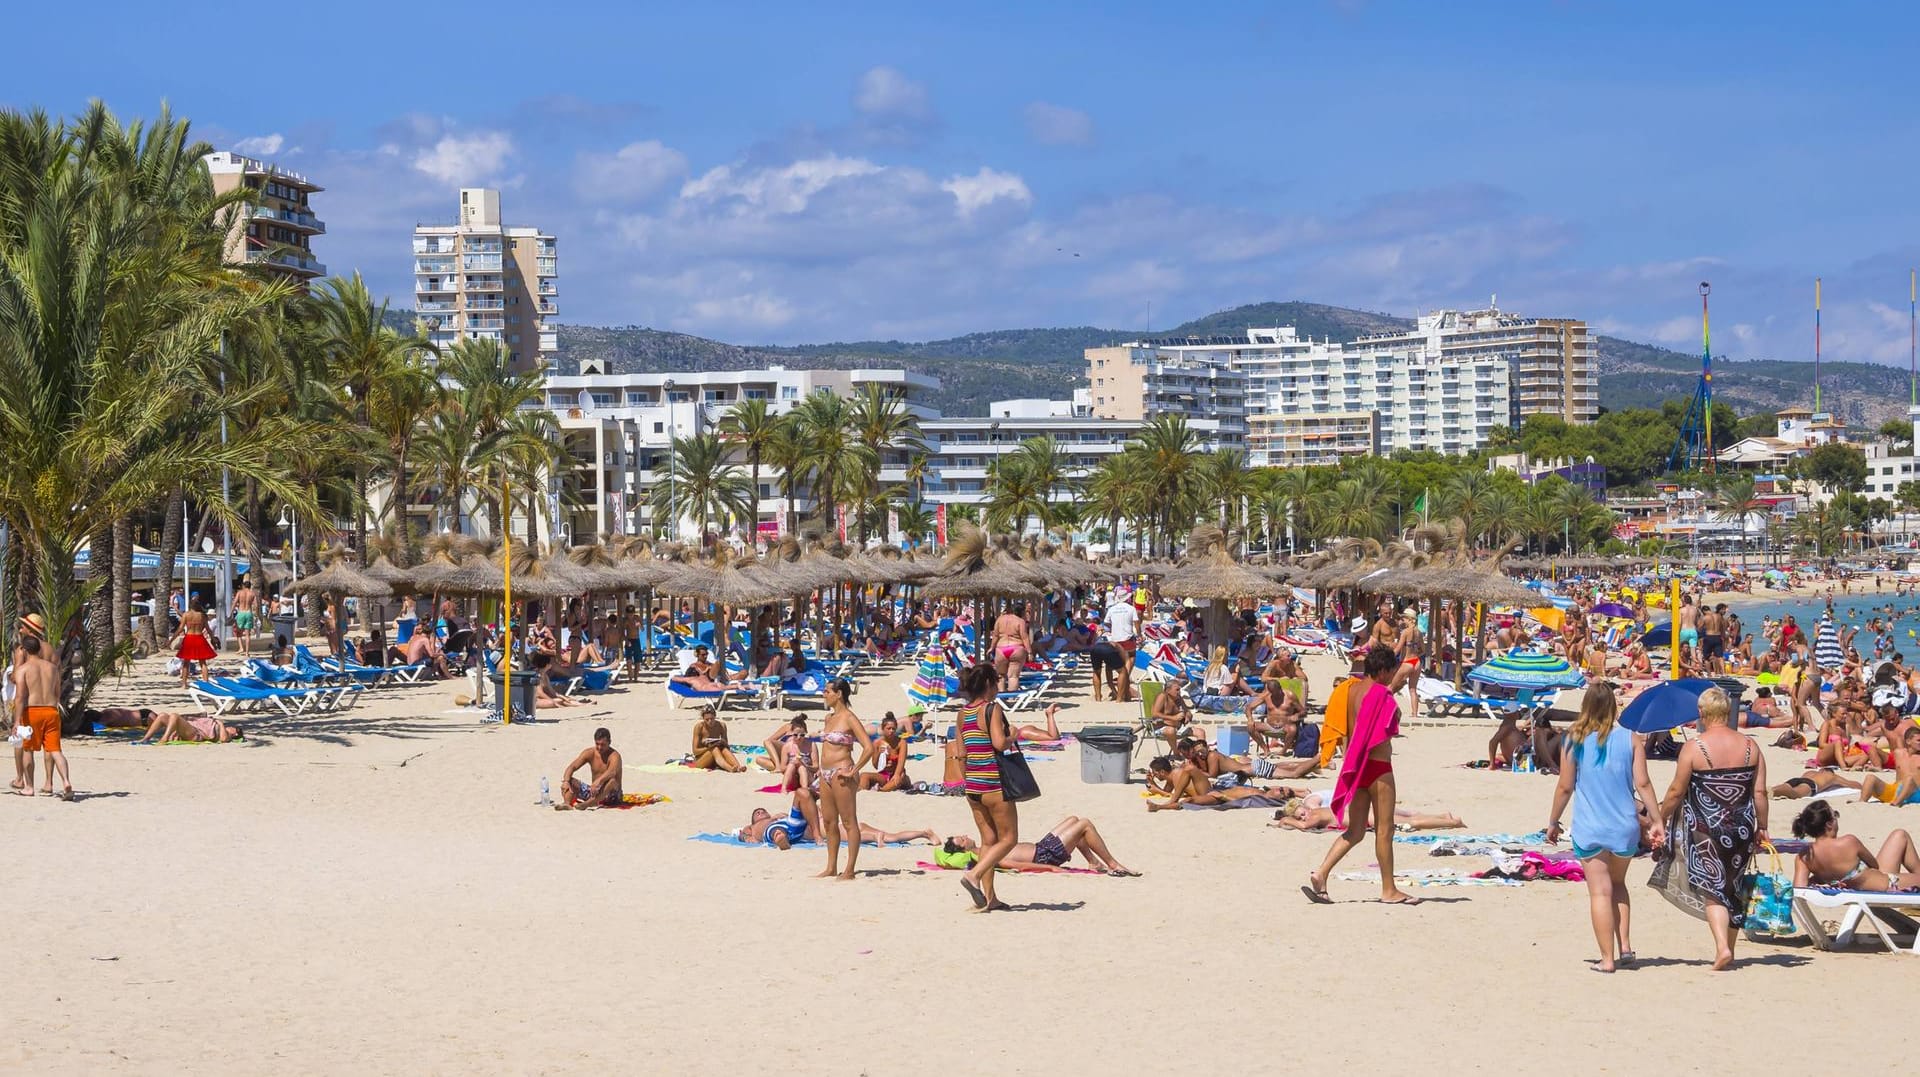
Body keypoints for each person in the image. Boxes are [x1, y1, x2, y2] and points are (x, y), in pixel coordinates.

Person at [1544, 683, 1667, 973]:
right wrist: (1657, 819)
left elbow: (1565, 786)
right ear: (1613, 706)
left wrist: (1552, 821)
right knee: (1619, 885)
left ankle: (1607, 959)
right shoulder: (1631, 738)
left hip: (1590, 827)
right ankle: (1624, 946)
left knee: (1600, 892)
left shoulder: (1573, 738)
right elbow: (1644, 783)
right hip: (1624, 826)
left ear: (1586, 706)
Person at [1651, 687, 1767, 971]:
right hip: (1741, 828)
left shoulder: (1695, 747)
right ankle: (1730, 949)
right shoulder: (1751, 746)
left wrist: (1661, 818)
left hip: (1706, 827)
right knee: (1734, 885)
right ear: (1728, 713)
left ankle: (1722, 948)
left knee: (1713, 888)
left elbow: (1677, 790)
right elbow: (1760, 792)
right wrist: (1762, 827)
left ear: (1702, 714)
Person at [1303, 645, 1417, 905]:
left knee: (1355, 831)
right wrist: (1392, 699)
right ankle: (1389, 890)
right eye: (1391, 671)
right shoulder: (1380, 693)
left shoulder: (1350, 689)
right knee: (1384, 831)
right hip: (1377, 767)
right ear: (1385, 670)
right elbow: (1389, 726)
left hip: (1357, 767)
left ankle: (1321, 874)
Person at [955, 662, 1018, 911]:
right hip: (994, 782)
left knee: (988, 841)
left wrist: (967, 781)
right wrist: (1014, 733)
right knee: (1009, 838)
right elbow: (1000, 743)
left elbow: (961, 754)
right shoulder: (991, 709)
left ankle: (990, 899)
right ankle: (974, 875)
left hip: (972, 784)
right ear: (989, 685)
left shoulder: (962, 713)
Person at [816, 678, 876, 881]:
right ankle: (831, 867)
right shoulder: (828, 718)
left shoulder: (849, 718)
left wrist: (854, 770)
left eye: (827, 691)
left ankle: (849, 869)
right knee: (829, 821)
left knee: (849, 822)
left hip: (843, 770)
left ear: (839, 694)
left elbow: (869, 747)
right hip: (825, 773)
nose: (824, 695)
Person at [941, 816, 1140, 876]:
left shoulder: (985, 846)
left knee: (1073, 819)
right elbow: (1015, 865)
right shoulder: (984, 856)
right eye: (963, 840)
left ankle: (1093, 862)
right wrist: (1050, 867)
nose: (966, 837)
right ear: (963, 849)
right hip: (1045, 855)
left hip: (1042, 846)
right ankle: (1113, 864)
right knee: (1084, 825)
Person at [1791, 801, 1920, 892]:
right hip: (1886, 885)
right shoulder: (1848, 842)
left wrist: (1821, 877)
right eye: (1835, 815)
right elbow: (1874, 865)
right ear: (1829, 824)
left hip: (1865, 888)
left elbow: (1800, 889)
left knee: (1899, 835)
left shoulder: (1804, 856)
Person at [11, 636, 69, 799]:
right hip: (51, 711)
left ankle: (29, 787)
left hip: (32, 712)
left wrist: (16, 721)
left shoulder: (23, 669)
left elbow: (20, 697)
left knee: (28, 749)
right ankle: (65, 782)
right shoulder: (52, 668)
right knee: (55, 750)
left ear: (24, 650)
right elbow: (57, 693)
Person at [1272, 788, 1462, 832]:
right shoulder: (1321, 809)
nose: (1304, 816)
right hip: (1361, 812)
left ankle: (1452, 822)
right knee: (1405, 817)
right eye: (1301, 816)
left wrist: (1286, 820)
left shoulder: (1314, 815)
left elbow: (1304, 827)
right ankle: (1442, 816)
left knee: (1410, 822)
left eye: (1302, 813)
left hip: (1363, 818)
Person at [556, 727, 623, 809]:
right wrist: (566, 781)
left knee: (612, 780)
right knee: (569, 780)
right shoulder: (590, 753)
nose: (599, 747)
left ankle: (588, 804)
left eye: (603, 745)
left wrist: (599, 781)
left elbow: (612, 771)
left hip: (612, 795)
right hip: (593, 793)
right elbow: (572, 767)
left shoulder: (614, 756)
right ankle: (567, 803)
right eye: (597, 744)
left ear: (609, 742)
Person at [169, 600, 218, 689]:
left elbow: (180, 629)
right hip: (199, 638)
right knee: (203, 662)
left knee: (186, 663)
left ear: (190, 606)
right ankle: (206, 683)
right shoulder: (202, 615)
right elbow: (208, 629)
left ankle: (184, 684)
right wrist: (213, 638)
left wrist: (171, 639)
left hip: (189, 638)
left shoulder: (186, 615)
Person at [861, 713, 911, 791]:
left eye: (893, 729)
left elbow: (901, 763)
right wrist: (878, 753)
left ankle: (881, 790)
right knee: (864, 776)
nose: (891, 731)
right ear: (882, 728)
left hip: (897, 773)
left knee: (900, 778)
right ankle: (862, 791)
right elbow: (876, 766)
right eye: (889, 728)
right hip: (884, 774)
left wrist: (897, 775)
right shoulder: (877, 743)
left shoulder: (901, 742)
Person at [1105, 586, 1139, 704]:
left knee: (1115, 668)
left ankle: (1122, 692)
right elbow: (1136, 623)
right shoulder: (1131, 608)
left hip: (1115, 640)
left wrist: (1114, 630)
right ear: (1127, 598)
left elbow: (1106, 623)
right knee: (1130, 662)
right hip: (1127, 639)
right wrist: (1139, 634)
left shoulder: (1112, 609)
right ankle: (1123, 691)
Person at [688, 705, 745, 772]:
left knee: (724, 749)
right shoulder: (699, 727)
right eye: (707, 719)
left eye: (712, 719)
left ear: (715, 716)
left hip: (717, 759)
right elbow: (695, 751)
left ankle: (738, 767)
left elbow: (727, 747)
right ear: (703, 718)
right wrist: (709, 747)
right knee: (714, 749)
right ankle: (729, 768)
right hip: (701, 759)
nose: (710, 721)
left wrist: (722, 743)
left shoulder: (721, 725)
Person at [134, 710, 245, 744]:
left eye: (234, 728)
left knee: (174, 716)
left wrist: (220, 723)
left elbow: (223, 739)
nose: (231, 727)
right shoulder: (221, 727)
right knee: (163, 716)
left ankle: (165, 737)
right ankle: (145, 739)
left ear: (235, 733)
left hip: (196, 734)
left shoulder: (226, 734)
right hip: (189, 727)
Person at [992, 602, 1031, 693]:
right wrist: (1029, 652)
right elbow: (1025, 637)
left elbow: (995, 636)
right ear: (1021, 612)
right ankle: (1012, 700)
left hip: (1001, 648)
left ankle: (1002, 699)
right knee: (1013, 676)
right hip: (1016, 648)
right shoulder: (1020, 621)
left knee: (1001, 675)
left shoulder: (1000, 619)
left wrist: (991, 647)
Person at [232, 578, 261, 659]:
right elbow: (256, 605)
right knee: (247, 634)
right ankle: (247, 653)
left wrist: (231, 613)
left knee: (238, 632)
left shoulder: (240, 592)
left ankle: (241, 648)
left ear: (244, 586)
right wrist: (257, 615)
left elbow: (234, 603)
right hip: (248, 613)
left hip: (241, 612)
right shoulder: (252, 594)